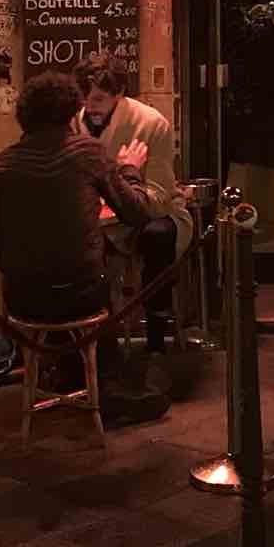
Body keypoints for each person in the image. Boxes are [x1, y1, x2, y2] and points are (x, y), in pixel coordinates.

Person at [0, 71, 167, 425]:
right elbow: (138, 212)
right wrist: (130, 170)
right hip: (81, 295)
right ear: (70, 113)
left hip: (22, 299)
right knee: (92, 273)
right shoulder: (87, 152)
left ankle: (67, 375)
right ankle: (107, 390)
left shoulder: (1, 165)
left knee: (64, 273)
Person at [73, 51, 189, 353]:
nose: (89, 106)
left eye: (98, 99)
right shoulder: (73, 121)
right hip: (100, 215)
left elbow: (159, 198)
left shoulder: (151, 124)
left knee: (158, 236)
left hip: (152, 211)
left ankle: (156, 341)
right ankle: (93, 341)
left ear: (119, 94)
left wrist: (127, 178)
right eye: (84, 97)